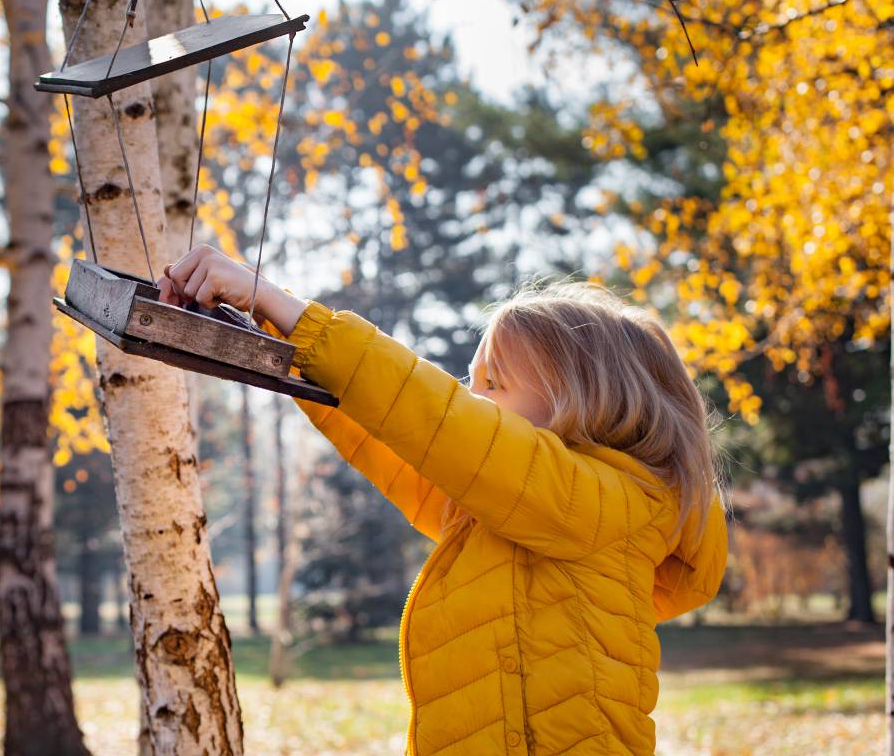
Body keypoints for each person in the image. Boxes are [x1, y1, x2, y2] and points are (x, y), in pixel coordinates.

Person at [159, 244, 729, 756]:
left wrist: (281, 304)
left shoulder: (596, 503)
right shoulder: (500, 508)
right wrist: (273, 336)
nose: (469, 398)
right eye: (470, 381)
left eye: (493, 385)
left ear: (580, 401)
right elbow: (397, 433)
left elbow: (437, 419)